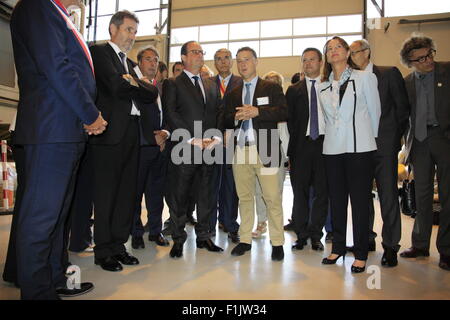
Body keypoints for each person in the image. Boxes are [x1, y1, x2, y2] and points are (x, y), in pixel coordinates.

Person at [9, 0, 107, 299]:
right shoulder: (37, 6)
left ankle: (54, 277)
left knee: (57, 216)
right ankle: (37, 292)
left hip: (65, 129)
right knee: (41, 218)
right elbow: (55, 65)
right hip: (51, 128)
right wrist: (90, 114)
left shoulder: (56, 11)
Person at [89, 10, 158, 272]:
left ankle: (119, 246)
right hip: (109, 134)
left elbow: (151, 92)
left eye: (135, 32)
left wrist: (133, 82)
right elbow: (114, 86)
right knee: (107, 194)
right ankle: (103, 250)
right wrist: (134, 84)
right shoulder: (100, 54)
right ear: (113, 29)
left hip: (132, 133)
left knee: (127, 194)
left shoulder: (129, 64)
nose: (133, 36)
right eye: (129, 30)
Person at [319, 36, 381, 273]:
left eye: (338, 47)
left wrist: (369, 140)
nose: (333, 51)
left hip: (360, 148)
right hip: (333, 149)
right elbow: (325, 121)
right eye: (329, 49)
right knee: (336, 199)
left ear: (347, 52)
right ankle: (338, 247)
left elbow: (375, 113)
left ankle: (362, 252)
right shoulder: (322, 85)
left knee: (360, 200)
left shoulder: (365, 78)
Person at [350, 39, 411, 267]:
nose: (353, 56)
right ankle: (366, 239)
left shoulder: (388, 73)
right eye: (351, 53)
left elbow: (402, 109)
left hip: (384, 146)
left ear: (367, 52)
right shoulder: (350, 78)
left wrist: (393, 138)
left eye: (356, 52)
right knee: (361, 195)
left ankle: (391, 246)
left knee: (387, 195)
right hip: (359, 146)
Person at [224, 47, 288, 261]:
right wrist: (234, 118)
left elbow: (284, 111)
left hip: (266, 147)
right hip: (241, 149)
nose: (243, 64)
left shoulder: (270, 88)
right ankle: (245, 240)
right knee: (244, 197)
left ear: (256, 61)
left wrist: (258, 112)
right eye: (239, 61)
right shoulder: (233, 93)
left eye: (247, 60)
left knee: (272, 197)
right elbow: (223, 118)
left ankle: (277, 242)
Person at [163, 41, 224, 258]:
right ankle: (178, 239)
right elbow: (171, 114)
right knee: (180, 195)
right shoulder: (173, 83)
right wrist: (192, 139)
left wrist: (215, 136)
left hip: (209, 148)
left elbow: (218, 112)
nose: (199, 55)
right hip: (184, 147)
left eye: (201, 52)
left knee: (206, 194)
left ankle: (205, 237)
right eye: (194, 52)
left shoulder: (211, 84)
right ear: (184, 57)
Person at [398, 35, 450, 271]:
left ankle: (447, 250)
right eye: (419, 59)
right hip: (418, 142)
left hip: (444, 138)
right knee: (422, 196)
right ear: (410, 62)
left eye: (429, 54)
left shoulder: (447, 72)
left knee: (448, 197)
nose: (427, 61)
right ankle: (420, 245)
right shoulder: (407, 83)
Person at [286, 48, 328, 251]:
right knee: (299, 192)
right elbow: (291, 123)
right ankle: (301, 234)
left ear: (321, 62)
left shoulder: (331, 86)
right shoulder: (294, 90)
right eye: (305, 60)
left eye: (312, 60)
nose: (308, 63)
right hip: (301, 147)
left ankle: (316, 234)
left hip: (326, 145)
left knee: (322, 193)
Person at [130, 46, 170, 250]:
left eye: (155, 60)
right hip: (141, 147)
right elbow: (133, 117)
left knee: (156, 194)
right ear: (139, 63)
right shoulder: (133, 85)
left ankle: (155, 231)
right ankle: (136, 233)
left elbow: (168, 116)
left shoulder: (163, 87)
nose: (153, 63)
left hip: (160, 148)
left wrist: (165, 134)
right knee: (135, 194)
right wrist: (150, 138)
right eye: (148, 59)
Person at [209, 48, 242, 243]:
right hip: (212, 141)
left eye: (226, 58)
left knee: (231, 185)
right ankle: (209, 224)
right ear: (214, 62)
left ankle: (230, 224)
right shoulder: (208, 83)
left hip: (234, 140)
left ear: (232, 61)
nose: (222, 62)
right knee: (211, 184)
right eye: (218, 59)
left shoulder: (241, 82)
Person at [252, 71, 289, 238]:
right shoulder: (258, 106)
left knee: (276, 190)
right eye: (268, 81)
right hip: (262, 147)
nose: (271, 84)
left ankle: (276, 223)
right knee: (259, 188)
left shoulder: (284, 106)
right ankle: (261, 222)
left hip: (279, 150)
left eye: (275, 82)